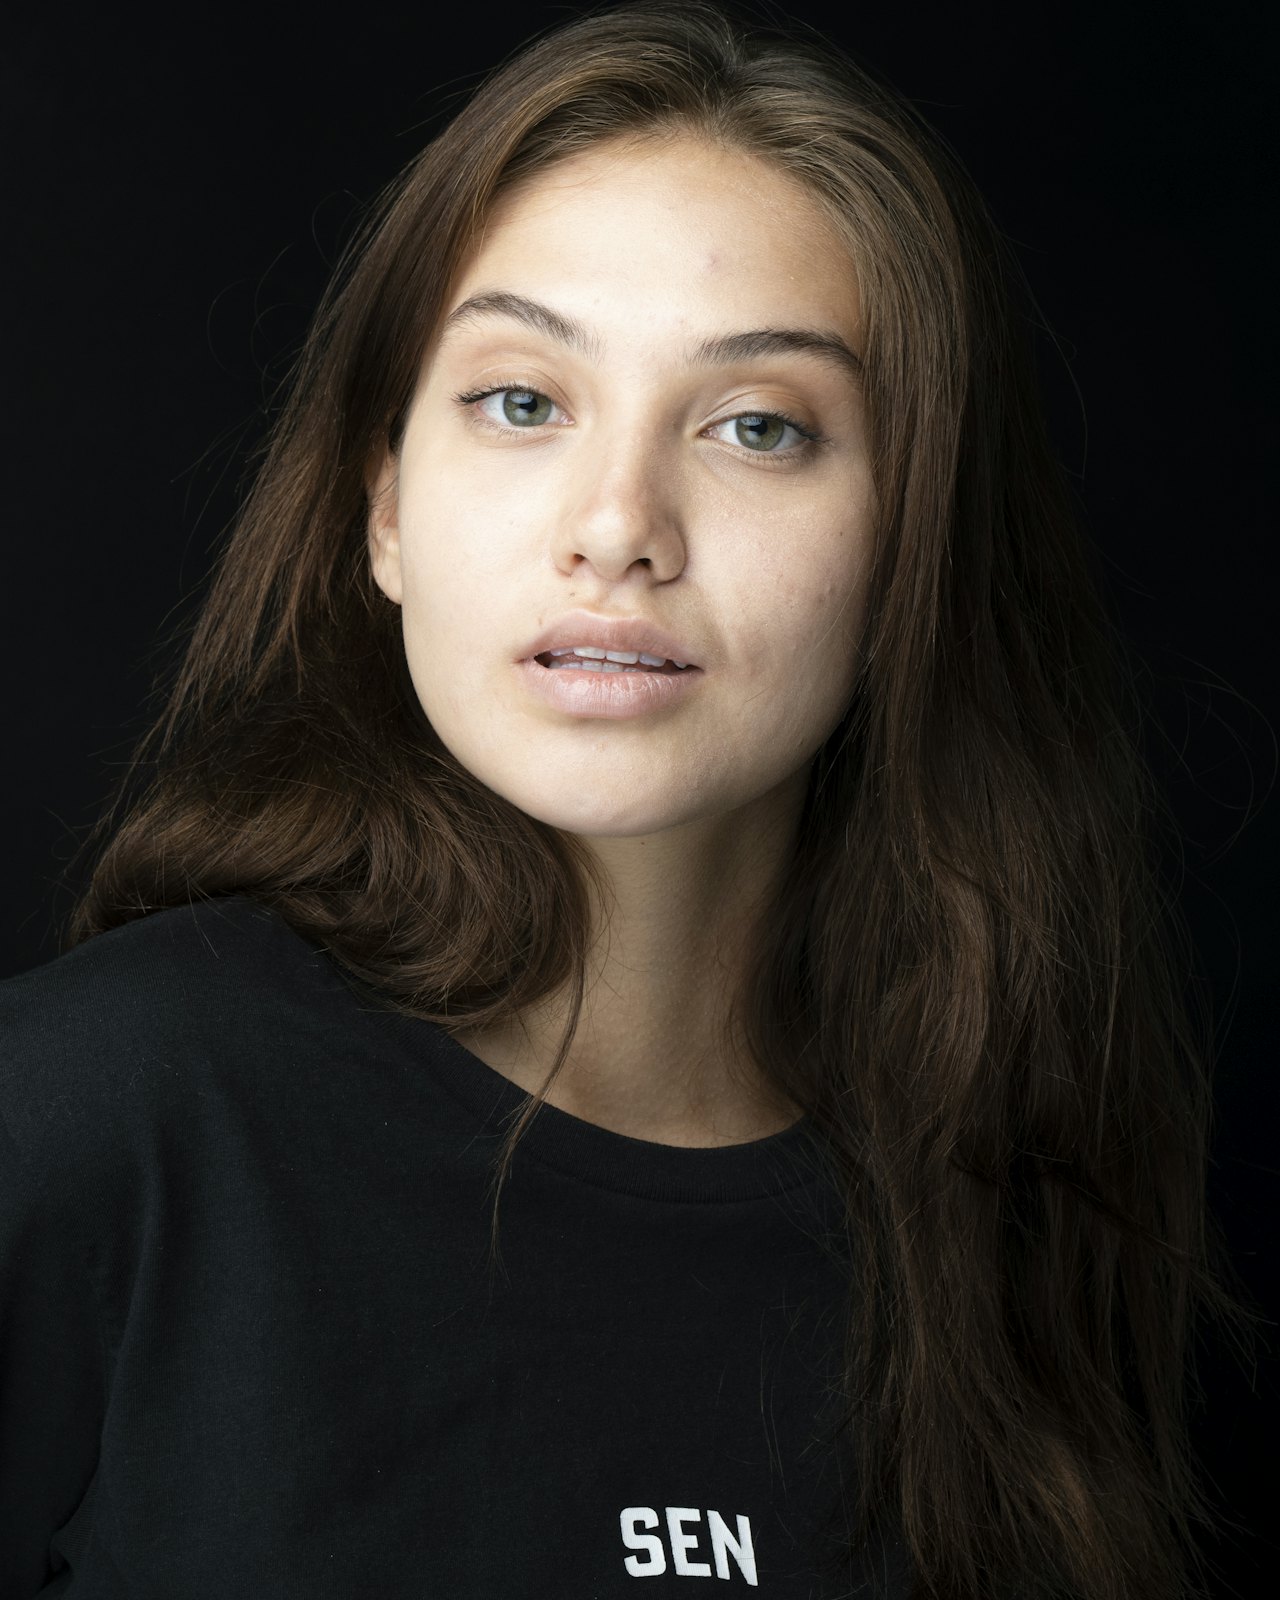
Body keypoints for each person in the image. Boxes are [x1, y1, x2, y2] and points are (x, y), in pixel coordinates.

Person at [0, 2, 1256, 1596]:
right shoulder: (87, 1121)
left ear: (914, 556)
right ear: (384, 510)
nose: (616, 527)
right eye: (523, 401)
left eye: (757, 427)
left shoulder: (1013, 1211)